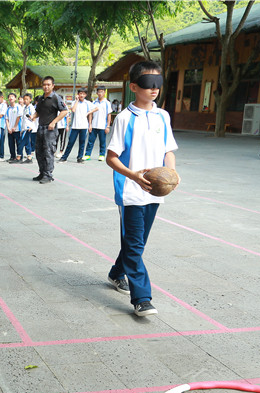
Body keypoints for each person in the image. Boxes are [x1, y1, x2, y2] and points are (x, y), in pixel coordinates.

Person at [106, 60, 179, 317]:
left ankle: (116, 272)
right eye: (149, 84)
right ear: (134, 86)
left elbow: (168, 150)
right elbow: (111, 157)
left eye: (158, 83)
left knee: (136, 243)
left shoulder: (163, 116)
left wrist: (171, 174)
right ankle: (142, 298)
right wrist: (134, 177)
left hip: (155, 192)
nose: (154, 89)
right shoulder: (125, 118)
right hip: (130, 192)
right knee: (135, 245)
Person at [30, 76, 68, 184]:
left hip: (50, 130)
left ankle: (48, 175)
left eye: (48, 84)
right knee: (39, 152)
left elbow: (64, 111)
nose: (46, 87)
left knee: (48, 152)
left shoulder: (56, 97)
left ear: (53, 86)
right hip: (40, 128)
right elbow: (38, 112)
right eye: (44, 85)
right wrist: (33, 116)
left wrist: (53, 122)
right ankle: (42, 172)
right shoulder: (41, 98)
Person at [59, 88, 94, 163]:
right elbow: (73, 110)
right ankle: (64, 157)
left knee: (82, 142)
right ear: (78, 94)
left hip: (84, 126)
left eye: (83, 94)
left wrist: (89, 113)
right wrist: (77, 101)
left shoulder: (87, 103)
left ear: (85, 95)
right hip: (75, 126)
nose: (81, 95)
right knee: (70, 142)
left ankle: (80, 157)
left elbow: (96, 108)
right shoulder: (74, 102)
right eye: (80, 93)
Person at [85, 87, 113, 161]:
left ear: (104, 93)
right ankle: (87, 155)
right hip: (94, 125)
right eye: (99, 92)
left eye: (102, 92)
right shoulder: (94, 102)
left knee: (102, 142)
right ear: (97, 93)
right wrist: (90, 124)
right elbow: (90, 114)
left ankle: (102, 155)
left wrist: (108, 126)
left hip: (102, 126)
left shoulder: (107, 103)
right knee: (90, 141)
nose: (100, 93)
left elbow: (109, 115)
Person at [18, 94, 35, 164]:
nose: (25, 101)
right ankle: (29, 157)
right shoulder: (25, 107)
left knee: (21, 142)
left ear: (30, 99)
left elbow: (34, 117)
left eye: (27, 99)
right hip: (24, 127)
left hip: (28, 127)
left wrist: (31, 126)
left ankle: (18, 156)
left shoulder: (31, 107)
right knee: (27, 143)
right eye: (24, 99)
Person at [5, 93, 21, 163]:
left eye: (12, 97)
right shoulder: (8, 109)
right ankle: (12, 156)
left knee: (18, 143)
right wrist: (8, 128)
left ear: (15, 98)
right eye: (9, 97)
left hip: (17, 129)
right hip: (10, 129)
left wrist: (15, 127)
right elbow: (6, 119)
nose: (11, 98)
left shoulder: (18, 107)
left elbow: (18, 117)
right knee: (11, 143)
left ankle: (19, 156)